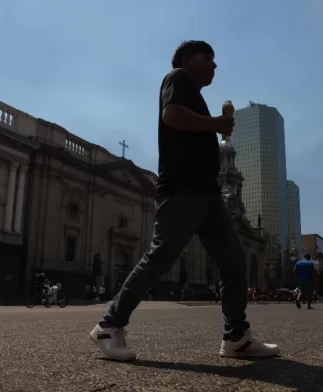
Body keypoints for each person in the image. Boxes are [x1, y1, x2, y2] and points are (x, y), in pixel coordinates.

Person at [89, 41, 280, 362]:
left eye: (215, 61)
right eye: (207, 59)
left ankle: (236, 336)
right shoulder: (177, 78)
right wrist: (217, 124)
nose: (214, 66)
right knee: (160, 259)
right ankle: (109, 325)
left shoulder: (198, 96)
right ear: (186, 60)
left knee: (234, 262)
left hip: (210, 197)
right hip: (182, 189)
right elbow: (172, 116)